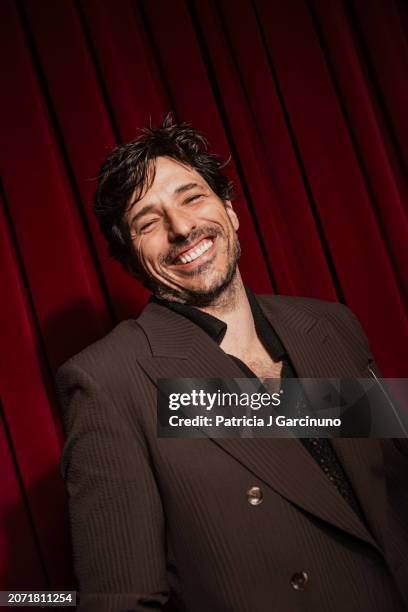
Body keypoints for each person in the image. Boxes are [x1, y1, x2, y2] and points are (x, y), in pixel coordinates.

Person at [56, 116, 408, 611]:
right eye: (149, 222)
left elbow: (392, 493)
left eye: (192, 197)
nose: (181, 228)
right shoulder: (109, 381)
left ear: (230, 210)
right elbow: (121, 600)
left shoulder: (331, 325)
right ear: (132, 259)